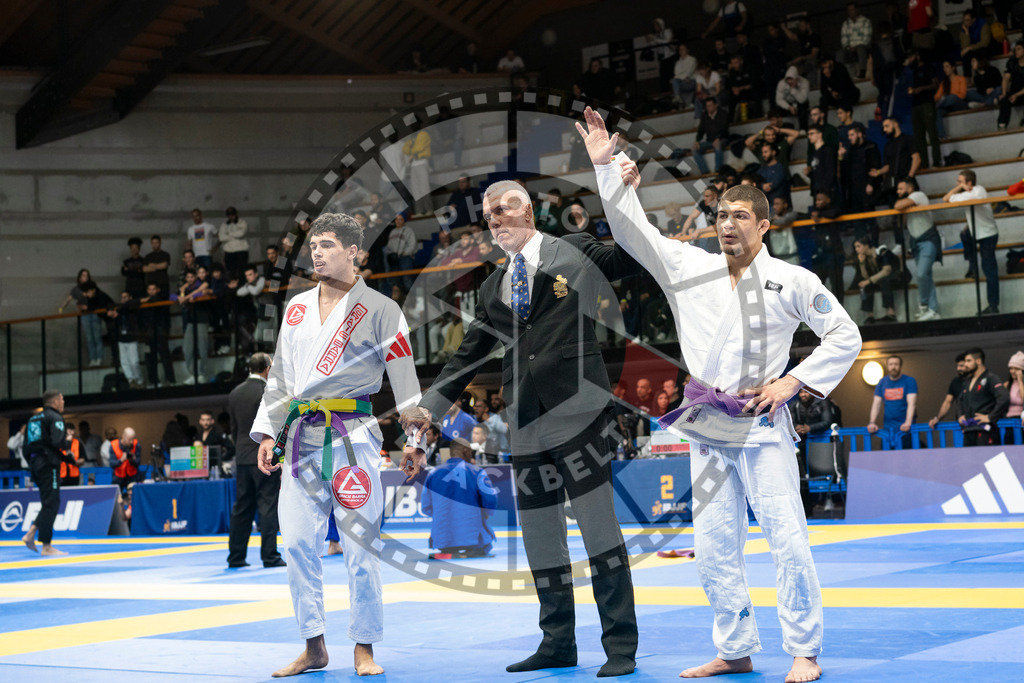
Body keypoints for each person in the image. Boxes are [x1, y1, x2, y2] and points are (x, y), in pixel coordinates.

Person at [579, 106, 861, 683]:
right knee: (713, 548)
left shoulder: (792, 280)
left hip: (761, 422)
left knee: (786, 540)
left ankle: (804, 650)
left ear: (764, 225)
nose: (726, 224)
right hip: (707, 421)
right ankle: (735, 648)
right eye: (719, 215)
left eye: (739, 216)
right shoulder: (689, 266)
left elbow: (845, 333)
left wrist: (793, 381)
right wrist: (607, 170)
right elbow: (634, 232)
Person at [401, 178, 644, 678]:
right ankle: (557, 642)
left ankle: (620, 645)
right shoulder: (491, 287)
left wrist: (622, 197)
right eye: (488, 213)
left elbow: (631, 258)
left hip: (579, 409)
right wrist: (426, 411)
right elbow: (467, 356)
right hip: (526, 420)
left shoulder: (572, 251)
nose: (494, 218)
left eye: (503, 208)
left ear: (528, 212)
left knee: (599, 530)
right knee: (539, 537)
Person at [250, 213, 423, 677]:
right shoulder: (297, 308)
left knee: (359, 548)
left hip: (352, 437)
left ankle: (363, 648)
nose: (317, 253)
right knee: (298, 545)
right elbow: (282, 378)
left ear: (354, 253)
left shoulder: (383, 309)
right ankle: (314, 646)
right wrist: (268, 432)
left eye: (327, 245)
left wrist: (414, 437)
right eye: (313, 247)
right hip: (301, 439)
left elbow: (405, 381)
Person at [227, 352, 285, 569]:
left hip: (242, 457)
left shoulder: (235, 393)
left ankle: (236, 557)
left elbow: (234, 429)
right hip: (265, 456)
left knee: (242, 507)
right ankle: (269, 556)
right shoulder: (268, 391)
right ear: (267, 369)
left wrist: (241, 452)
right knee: (268, 506)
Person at [421, 438, 497, 558]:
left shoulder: (433, 473)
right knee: (482, 521)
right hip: (473, 539)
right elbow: (490, 500)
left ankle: (447, 545)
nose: (471, 455)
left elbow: (426, 507)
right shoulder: (477, 472)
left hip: (442, 540)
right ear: (466, 450)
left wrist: (443, 515)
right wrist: (485, 513)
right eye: (471, 452)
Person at [22, 390, 71, 556]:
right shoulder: (55, 417)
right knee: (52, 502)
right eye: (62, 400)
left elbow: (25, 447)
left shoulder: (33, 419)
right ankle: (46, 546)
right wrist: (67, 442)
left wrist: (33, 463)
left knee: (48, 501)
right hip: (48, 464)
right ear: (56, 401)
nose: (63, 403)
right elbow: (58, 442)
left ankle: (30, 534)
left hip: (35, 463)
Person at [943, 170, 999, 314]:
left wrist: (960, 190)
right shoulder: (965, 193)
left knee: (989, 269)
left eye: (959, 181)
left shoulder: (979, 190)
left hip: (987, 234)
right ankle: (972, 265)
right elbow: (946, 198)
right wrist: (959, 187)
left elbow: (950, 198)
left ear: (968, 183)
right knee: (965, 233)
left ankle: (993, 305)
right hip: (977, 232)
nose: (957, 184)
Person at [894, 177, 941, 320]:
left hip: (928, 240)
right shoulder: (908, 202)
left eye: (901, 188)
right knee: (926, 275)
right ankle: (932, 310)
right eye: (897, 189)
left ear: (910, 187)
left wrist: (901, 203)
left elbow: (897, 205)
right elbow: (902, 221)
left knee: (921, 274)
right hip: (916, 242)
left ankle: (924, 305)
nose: (898, 191)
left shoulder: (918, 195)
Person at [957, 347, 1010, 446]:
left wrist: (991, 417)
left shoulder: (991, 378)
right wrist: (960, 415)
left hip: (985, 429)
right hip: (969, 429)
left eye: (969, 361)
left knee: (987, 460)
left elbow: (1004, 397)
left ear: (978, 361)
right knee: (970, 461)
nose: (965, 364)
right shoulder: (967, 381)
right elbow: (960, 400)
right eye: (965, 361)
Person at [866, 355, 917, 449]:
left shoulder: (909, 381)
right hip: (888, 429)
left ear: (900, 366)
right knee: (888, 459)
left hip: (906, 429)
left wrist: (908, 422)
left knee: (907, 458)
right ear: (887, 366)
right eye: (891, 364)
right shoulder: (882, 382)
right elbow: (876, 404)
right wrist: (872, 422)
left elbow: (912, 404)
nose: (893, 367)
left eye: (896, 364)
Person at [905, 50, 942, 169]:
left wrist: (921, 89)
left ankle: (937, 161)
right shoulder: (912, 71)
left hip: (927, 103)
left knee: (932, 133)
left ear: (918, 56)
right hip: (915, 105)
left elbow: (935, 84)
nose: (910, 59)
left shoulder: (928, 67)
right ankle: (924, 164)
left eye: (912, 56)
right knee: (919, 136)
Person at [871, 118, 920, 205]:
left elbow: (916, 159)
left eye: (887, 126)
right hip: (893, 185)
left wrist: (909, 178)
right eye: (883, 127)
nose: (884, 129)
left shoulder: (907, 139)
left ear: (895, 124)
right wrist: (878, 172)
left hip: (905, 180)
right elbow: (887, 166)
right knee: (894, 211)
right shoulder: (888, 145)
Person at [852, 236, 898, 324]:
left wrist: (869, 281)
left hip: (897, 276)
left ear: (866, 246)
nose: (856, 249)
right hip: (879, 279)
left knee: (885, 281)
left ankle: (891, 312)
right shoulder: (864, 257)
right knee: (865, 285)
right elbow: (865, 277)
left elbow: (886, 271)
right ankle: (870, 315)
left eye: (859, 246)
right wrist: (861, 263)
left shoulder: (881, 251)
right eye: (855, 247)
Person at [929, 353, 968, 428]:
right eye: (958, 365)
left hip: (979, 424)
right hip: (961, 424)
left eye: (961, 366)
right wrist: (938, 418)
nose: (958, 369)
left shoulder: (981, 381)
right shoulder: (955, 382)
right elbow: (947, 402)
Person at [692, 97, 728, 175]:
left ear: (715, 105)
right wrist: (697, 140)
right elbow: (701, 130)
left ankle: (718, 170)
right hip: (710, 140)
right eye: (707, 106)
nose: (708, 108)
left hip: (722, 138)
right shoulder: (704, 115)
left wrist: (718, 138)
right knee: (695, 149)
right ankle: (704, 171)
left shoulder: (723, 114)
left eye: (710, 105)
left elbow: (724, 128)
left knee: (718, 145)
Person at [934, 60, 968, 139]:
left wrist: (948, 98)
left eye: (947, 66)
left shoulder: (961, 79)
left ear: (953, 68)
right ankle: (942, 135)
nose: (945, 69)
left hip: (959, 103)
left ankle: (937, 106)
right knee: (938, 112)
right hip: (948, 105)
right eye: (943, 67)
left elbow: (962, 95)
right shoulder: (944, 83)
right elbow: (937, 96)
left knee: (952, 97)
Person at [839, 2, 873, 78]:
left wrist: (857, 46)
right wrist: (848, 47)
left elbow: (867, 37)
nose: (850, 12)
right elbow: (843, 39)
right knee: (839, 53)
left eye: (852, 9)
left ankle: (862, 71)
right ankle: (839, 75)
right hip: (850, 48)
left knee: (860, 49)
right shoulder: (845, 24)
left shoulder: (865, 21)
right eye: (849, 10)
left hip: (863, 47)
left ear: (857, 10)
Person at [997, 41, 1024, 130]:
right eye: (1015, 49)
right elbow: (1005, 78)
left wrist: (1017, 95)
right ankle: (1002, 124)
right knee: (1004, 99)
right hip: (1014, 92)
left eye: (1019, 49)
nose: (1016, 51)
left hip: (1021, 93)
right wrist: (1004, 92)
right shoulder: (1012, 63)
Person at [220, 207, 249, 278]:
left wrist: (228, 234)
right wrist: (234, 235)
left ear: (236, 214)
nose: (231, 216)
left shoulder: (242, 222)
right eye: (229, 215)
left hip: (241, 251)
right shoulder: (224, 225)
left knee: (242, 272)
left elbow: (241, 233)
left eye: (232, 214)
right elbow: (221, 237)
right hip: (229, 252)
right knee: (231, 272)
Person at [110, 428, 141, 492]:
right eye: (129, 439)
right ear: (123, 437)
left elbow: (138, 462)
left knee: (134, 496)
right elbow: (112, 463)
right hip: (118, 476)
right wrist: (121, 460)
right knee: (116, 497)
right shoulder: (113, 444)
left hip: (132, 476)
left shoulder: (136, 444)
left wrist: (133, 460)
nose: (131, 442)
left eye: (133, 439)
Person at [1006, 352, 1024, 422]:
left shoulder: (1021, 384)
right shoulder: (1007, 384)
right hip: (1008, 419)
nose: (1013, 371)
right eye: (1011, 368)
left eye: (1016, 369)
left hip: (1021, 419)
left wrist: (1020, 381)